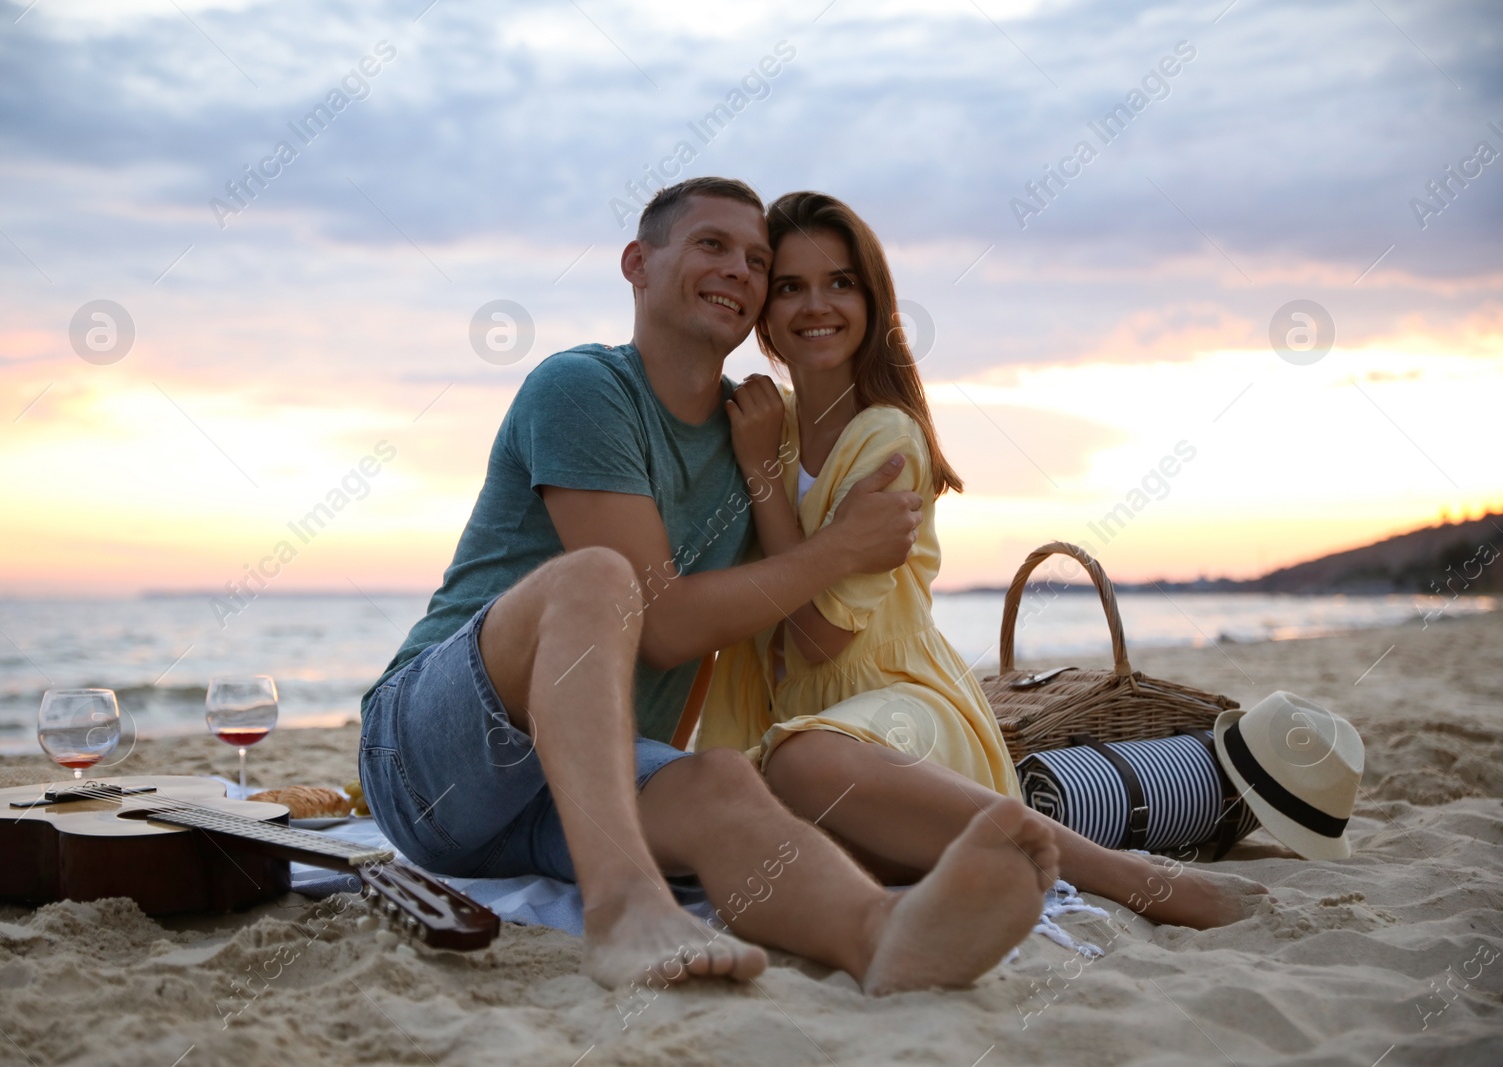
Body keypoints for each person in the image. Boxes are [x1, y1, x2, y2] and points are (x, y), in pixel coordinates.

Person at [359, 176, 1061, 998]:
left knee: (723, 779)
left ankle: (878, 936)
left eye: (757, 259)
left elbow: (707, 653)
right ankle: (625, 909)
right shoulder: (583, 389)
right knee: (596, 580)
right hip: (436, 757)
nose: (739, 268)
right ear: (637, 265)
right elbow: (659, 627)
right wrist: (837, 548)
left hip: (579, 790)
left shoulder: (750, 435)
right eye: (711, 245)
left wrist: (688, 779)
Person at [697, 190, 1268, 920]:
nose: (818, 304)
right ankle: (947, 862)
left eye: (841, 281)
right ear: (764, 314)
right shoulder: (766, 424)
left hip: (903, 712)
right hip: (798, 720)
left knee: (805, 763)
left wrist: (764, 480)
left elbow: (816, 635)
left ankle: (1109, 872)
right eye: (790, 286)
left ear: (873, 301)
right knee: (742, 809)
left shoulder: (885, 440)